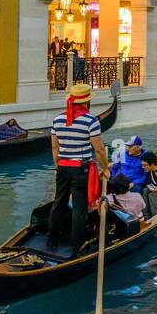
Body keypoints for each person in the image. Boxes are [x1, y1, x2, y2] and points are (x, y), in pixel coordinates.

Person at [48, 82, 109, 258]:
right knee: (79, 208)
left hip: (63, 168)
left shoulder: (57, 119)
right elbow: (98, 150)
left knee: (58, 203)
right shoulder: (91, 121)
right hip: (80, 170)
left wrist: (57, 166)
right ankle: (76, 247)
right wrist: (105, 168)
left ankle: (51, 241)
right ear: (86, 102)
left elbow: (54, 148)